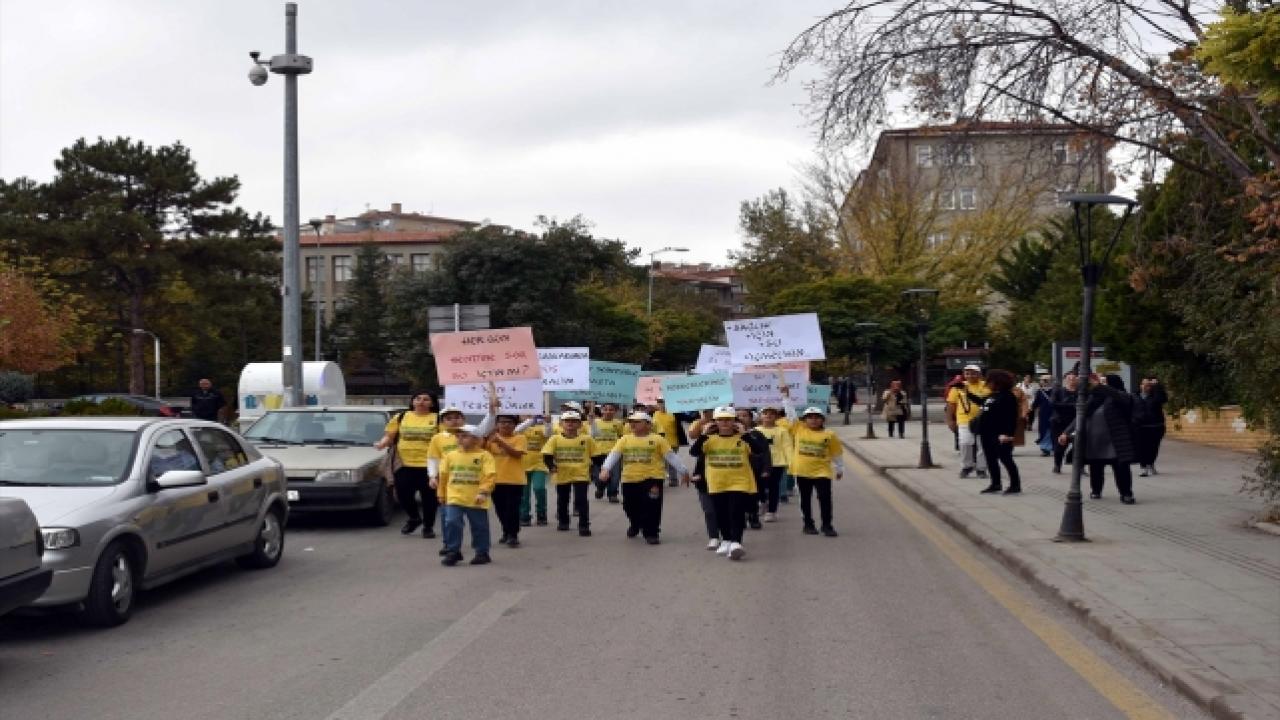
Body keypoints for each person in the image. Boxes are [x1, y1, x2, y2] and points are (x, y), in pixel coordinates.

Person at [599, 411, 687, 544]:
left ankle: (651, 532)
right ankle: (635, 524)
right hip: (630, 478)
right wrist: (605, 469)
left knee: (652, 505)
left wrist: (683, 471)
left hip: (653, 477)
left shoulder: (658, 439)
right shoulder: (625, 439)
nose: (633, 425)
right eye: (631, 422)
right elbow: (614, 455)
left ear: (648, 425)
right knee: (629, 506)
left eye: (637, 422)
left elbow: (671, 456)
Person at [689, 407, 759, 560]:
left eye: (728, 419)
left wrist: (745, 433)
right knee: (721, 513)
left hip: (740, 482)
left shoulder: (744, 438)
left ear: (734, 421)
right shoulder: (709, 440)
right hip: (717, 482)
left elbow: (758, 450)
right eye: (720, 419)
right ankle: (726, 539)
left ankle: (736, 542)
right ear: (715, 422)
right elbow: (694, 452)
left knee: (736, 511)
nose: (725, 422)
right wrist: (703, 434)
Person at [1060, 374, 1137, 504]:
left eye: (1104, 382)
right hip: (1094, 441)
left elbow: (1121, 397)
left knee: (1120, 468)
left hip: (1114, 440)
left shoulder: (1118, 397)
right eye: (1100, 382)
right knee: (1096, 468)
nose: (1100, 384)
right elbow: (1080, 417)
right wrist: (1066, 433)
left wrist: (1100, 386)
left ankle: (1126, 493)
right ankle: (1096, 490)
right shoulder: (1093, 398)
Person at [374, 391, 439, 538]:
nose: (421, 402)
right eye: (418, 399)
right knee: (403, 495)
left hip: (429, 466)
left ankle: (428, 527)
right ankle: (414, 518)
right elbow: (389, 436)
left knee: (429, 499)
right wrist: (382, 444)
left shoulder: (438, 419)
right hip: (403, 464)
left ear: (432, 403)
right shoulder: (402, 417)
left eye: (426, 399)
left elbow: (444, 440)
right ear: (412, 402)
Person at [437, 425, 497, 566]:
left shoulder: (484, 456)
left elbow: (490, 476)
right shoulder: (450, 456)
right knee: (451, 521)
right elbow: (443, 476)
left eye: (464, 436)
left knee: (479, 526)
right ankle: (453, 551)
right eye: (458, 436)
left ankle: (482, 552)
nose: (460, 439)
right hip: (454, 497)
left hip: (476, 498)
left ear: (476, 439)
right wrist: (441, 494)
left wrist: (483, 492)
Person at [784, 403, 845, 536]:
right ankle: (808, 524)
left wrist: (839, 468)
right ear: (804, 420)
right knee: (805, 499)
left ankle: (827, 525)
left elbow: (836, 453)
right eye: (810, 417)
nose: (813, 420)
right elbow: (790, 413)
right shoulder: (799, 429)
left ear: (823, 420)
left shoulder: (829, 435)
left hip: (822, 471)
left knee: (825, 498)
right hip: (802, 471)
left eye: (817, 417)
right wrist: (786, 398)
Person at [542, 410, 605, 536]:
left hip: (581, 473)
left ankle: (584, 525)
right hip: (561, 473)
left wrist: (603, 469)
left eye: (574, 421)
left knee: (581, 500)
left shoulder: (587, 439)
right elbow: (547, 455)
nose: (570, 424)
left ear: (580, 424)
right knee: (563, 499)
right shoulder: (555, 439)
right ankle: (563, 521)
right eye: (567, 421)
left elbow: (597, 457)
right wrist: (551, 466)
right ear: (561, 424)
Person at [977, 370, 1022, 494]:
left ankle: (1015, 484)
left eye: (990, 381)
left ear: (998, 382)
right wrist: (966, 392)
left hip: (1000, 434)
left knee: (1005, 458)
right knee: (990, 458)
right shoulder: (992, 396)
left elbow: (1011, 417)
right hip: (987, 432)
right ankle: (995, 483)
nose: (988, 384)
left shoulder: (1008, 396)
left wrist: (1007, 434)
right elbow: (981, 403)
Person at [486, 415, 527, 547]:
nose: (505, 425)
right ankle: (506, 531)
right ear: (496, 425)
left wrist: (501, 442)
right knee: (500, 509)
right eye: (502, 422)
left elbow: (517, 454)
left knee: (512, 509)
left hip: (515, 480)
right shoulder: (490, 439)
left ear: (515, 425)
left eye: (509, 422)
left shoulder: (520, 438)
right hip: (495, 480)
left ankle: (513, 534)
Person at [946, 364, 991, 479]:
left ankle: (981, 468)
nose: (970, 375)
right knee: (965, 443)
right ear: (964, 374)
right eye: (967, 373)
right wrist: (950, 420)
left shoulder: (987, 386)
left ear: (979, 374)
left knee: (983, 445)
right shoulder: (957, 387)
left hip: (983, 420)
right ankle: (967, 466)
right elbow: (951, 404)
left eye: (973, 373)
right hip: (964, 419)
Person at [754, 404, 792, 521]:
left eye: (772, 413)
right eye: (765, 413)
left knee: (773, 487)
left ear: (776, 416)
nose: (768, 415)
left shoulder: (782, 431)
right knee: (759, 486)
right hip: (759, 463)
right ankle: (762, 502)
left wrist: (791, 463)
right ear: (760, 417)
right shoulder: (755, 431)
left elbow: (787, 446)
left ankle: (772, 511)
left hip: (777, 462)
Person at [736, 408, 770, 530]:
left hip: (755, 470)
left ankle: (753, 517)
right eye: (738, 416)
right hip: (736, 471)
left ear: (751, 418)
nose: (741, 418)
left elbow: (764, 452)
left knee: (753, 496)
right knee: (738, 496)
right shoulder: (729, 434)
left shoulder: (756, 434)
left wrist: (766, 468)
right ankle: (741, 518)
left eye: (744, 416)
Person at [517, 414, 551, 527]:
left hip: (539, 463)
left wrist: (547, 422)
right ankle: (524, 515)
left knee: (539, 488)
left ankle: (541, 513)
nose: (528, 416)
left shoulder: (541, 428)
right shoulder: (519, 429)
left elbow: (548, 433)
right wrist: (529, 421)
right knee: (524, 493)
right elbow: (516, 431)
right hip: (522, 464)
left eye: (531, 414)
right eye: (525, 414)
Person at [588, 402, 625, 502]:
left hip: (614, 453)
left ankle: (612, 494)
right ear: (601, 410)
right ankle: (600, 488)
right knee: (598, 476)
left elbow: (622, 437)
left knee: (615, 475)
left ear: (615, 412)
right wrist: (591, 423)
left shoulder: (618, 423)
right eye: (606, 409)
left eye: (611, 409)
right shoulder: (594, 422)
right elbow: (591, 436)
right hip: (597, 454)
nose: (608, 412)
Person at [1132, 377, 1168, 476]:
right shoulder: (1134, 396)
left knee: (1153, 447)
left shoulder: (1155, 396)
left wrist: (1157, 386)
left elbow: (1163, 399)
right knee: (1141, 448)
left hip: (1155, 426)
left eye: (1148, 385)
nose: (1145, 387)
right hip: (1140, 427)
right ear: (1140, 385)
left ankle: (1150, 463)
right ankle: (1143, 467)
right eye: (1143, 384)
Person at [650, 398, 687, 487]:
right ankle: (660, 479)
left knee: (671, 462)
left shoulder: (674, 413)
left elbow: (688, 418)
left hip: (672, 442)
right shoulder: (653, 414)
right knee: (660, 462)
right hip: (658, 443)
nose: (661, 404)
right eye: (659, 403)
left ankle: (673, 480)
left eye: (662, 402)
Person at [1049, 372, 1079, 474]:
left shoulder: (1081, 392)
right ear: (1065, 380)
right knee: (1059, 446)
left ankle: (1080, 467)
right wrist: (1072, 405)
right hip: (1059, 422)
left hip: (1075, 422)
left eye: (1074, 378)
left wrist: (1065, 405)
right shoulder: (1058, 391)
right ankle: (1057, 465)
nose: (1072, 380)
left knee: (1079, 445)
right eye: (1069, 378)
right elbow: (1053, 404)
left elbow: (1083, 406)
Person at [1029, 375, 1055, 456]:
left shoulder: (1055, 390)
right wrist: (1030, 409)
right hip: (1043, 414)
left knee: (1053, 430)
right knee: (1044, 431)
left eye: (1046, 380)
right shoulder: (1040, 392)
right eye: (1043, 380)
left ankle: (1053, 447)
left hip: (1054, 413)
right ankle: (1045, 449)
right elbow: (1036, 403)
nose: (1044, 381)